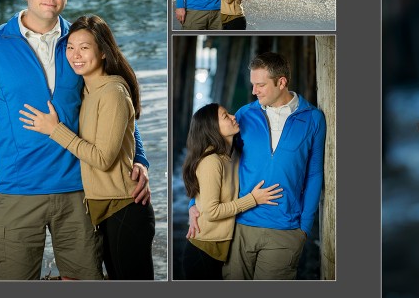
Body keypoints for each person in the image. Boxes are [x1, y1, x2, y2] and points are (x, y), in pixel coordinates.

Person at [0, 0, 150, 281]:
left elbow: (114, 100)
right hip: (18, 191)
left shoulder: (78, 43)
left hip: (78, 192)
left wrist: (139, 159)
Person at [20, 15, 156, 280]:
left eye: (85, 47)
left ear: (103, 52)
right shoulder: (88, 89)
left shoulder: (112, 92)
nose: (75, 55)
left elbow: (103, 159)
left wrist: (54, 129)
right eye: (70, 47)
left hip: (124, 206)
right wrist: (140, 159)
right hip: (105, 207)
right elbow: (127, 133)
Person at [189, 52, 326, 280]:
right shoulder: (244, 115)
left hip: (286, 230)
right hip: (239, 226)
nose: (254, 91)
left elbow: (314, 173)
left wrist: (304, 227)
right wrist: (196, 201)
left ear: (281, 82)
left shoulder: (313, 119)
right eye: (252, 84)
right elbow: (216, 159)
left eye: (260, 85)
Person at [180, 103, 283, 280]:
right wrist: (253, 199)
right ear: (212, 127)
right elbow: (211, 212)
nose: (233, 117)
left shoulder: (232, 155)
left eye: (229, 113)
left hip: (221, 251)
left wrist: (194, 204)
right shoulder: (211, 161)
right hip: (203, 251)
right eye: (225, 116)